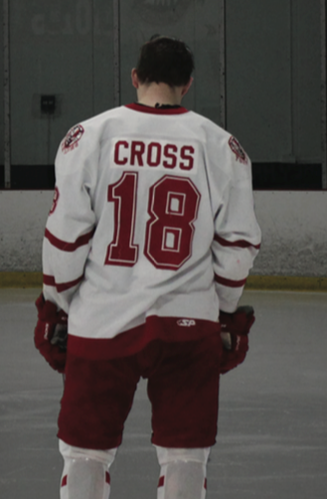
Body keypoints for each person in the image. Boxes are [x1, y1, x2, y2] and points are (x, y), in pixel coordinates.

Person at [33, 36, 261, 499]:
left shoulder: (89, 136)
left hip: (101, 320)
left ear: (135, 77)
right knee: (185, 456)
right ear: (188, 83)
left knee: (85, 452)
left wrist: (58, 306)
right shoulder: (222, 146)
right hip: (187, 323)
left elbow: (65, 238)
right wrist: (222, 311)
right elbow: (238, 246)